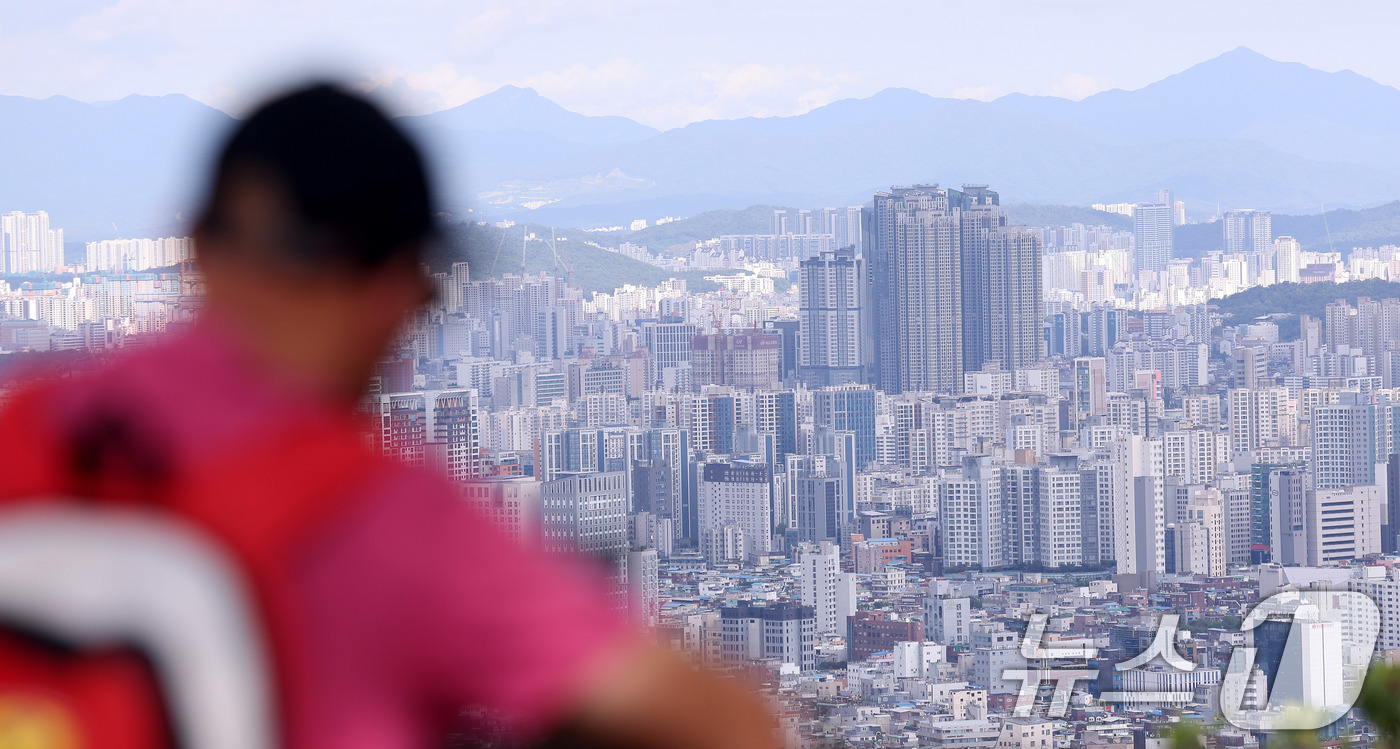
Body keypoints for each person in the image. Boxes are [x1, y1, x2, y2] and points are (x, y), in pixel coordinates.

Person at [0, 85, 780, 749]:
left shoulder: (22, 425)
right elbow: (717, 723)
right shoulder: (380, 510)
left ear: (196, 246)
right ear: (397, 288)